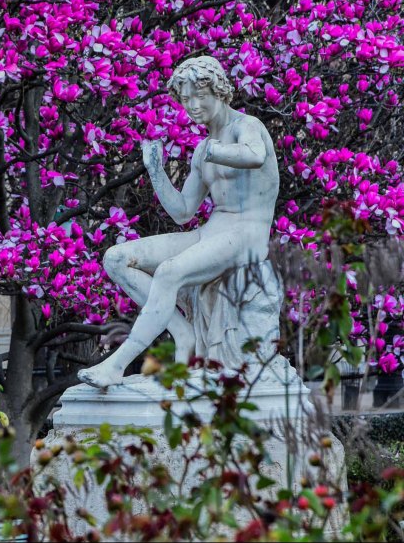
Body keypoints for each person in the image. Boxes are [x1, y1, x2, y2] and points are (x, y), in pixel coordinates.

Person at [77, 55, 280, 388]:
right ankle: (182, 332)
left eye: (199, 97)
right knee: (115, 259)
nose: (193, 106)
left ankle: (117, 364)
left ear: (219, 92)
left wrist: (213, 151)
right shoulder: (204, 148)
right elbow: (183, 211)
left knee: (170, 271)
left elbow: (255, 155)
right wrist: (155, 170)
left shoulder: (246, 126)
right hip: (212, 232)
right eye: (186, 100)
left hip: (247, 235)